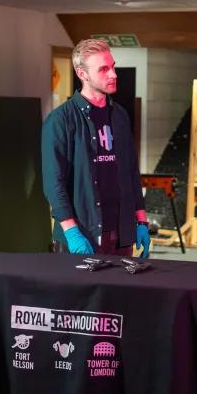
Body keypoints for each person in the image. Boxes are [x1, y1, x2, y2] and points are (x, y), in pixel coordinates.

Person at [41, 38, 150, 257]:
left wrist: (141, 220)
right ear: (82, 74)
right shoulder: (61, 120)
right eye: (103, 69)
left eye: (112, 67)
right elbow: (54, 183)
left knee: (121, 292)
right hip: (83, 234)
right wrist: (71, 231)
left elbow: (130, 172)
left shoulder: (119, 115)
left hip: (120, 234)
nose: (113, 74)